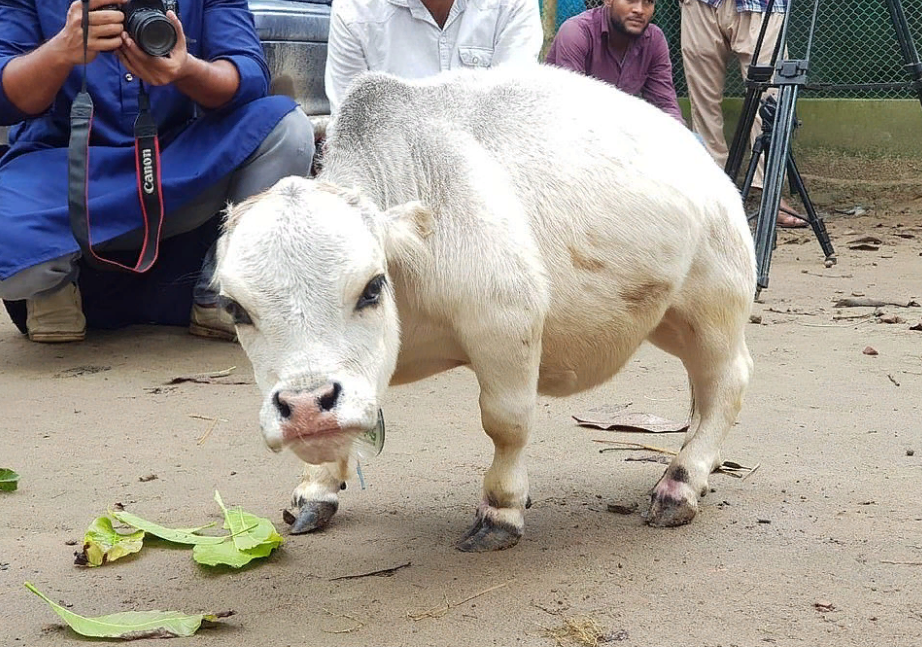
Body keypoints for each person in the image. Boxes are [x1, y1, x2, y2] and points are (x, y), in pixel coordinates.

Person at [0, 0, 316, 343]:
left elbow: (249, 76)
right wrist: (60, 51)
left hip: (175, 165)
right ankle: (54, 291)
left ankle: (220, 288)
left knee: (287, 130)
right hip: (61, 175)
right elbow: (5, 99)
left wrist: (186, 70)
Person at [681, 0, 806, 227]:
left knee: (770, 103)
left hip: (763, 6)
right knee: (703, 104)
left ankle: (770, 197)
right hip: (700, 5)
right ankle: (711, 199)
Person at [324, 0, 545, 114]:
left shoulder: (512, 5)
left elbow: (510, 115)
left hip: (490, 174)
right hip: (396, 178)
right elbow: (350, 133)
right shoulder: (354, 12)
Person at [545, 0, 686, 125]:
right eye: (631, 0)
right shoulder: (576, 32)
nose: (640, 10)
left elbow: (665, 105)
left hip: (619, 132)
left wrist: (681, 137)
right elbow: (571, 108)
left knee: (695, 141)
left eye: (648, 2)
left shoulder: (654, 40)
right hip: (565, 131)